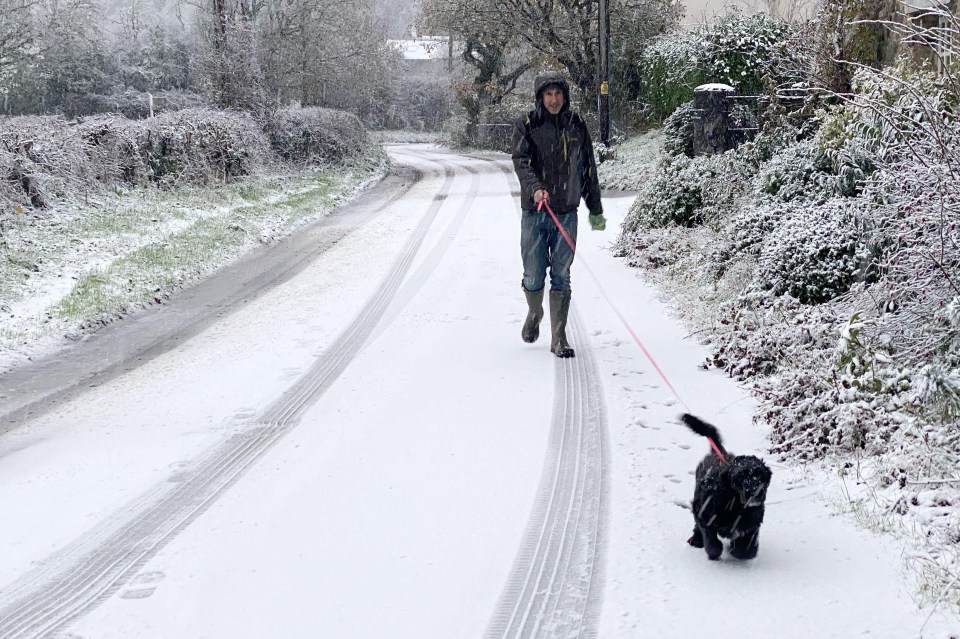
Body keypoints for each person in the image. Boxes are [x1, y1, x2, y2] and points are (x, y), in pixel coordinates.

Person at [512, 71, 606, 359]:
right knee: (533, 273)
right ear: (541, 97)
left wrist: (596, 209)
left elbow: (588, 167)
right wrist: (536, 189)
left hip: (566, 211)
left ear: (565, 96)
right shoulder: (528, 124)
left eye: (558, 94)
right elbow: (521, 161)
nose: (554, 100)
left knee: (562, 274)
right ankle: (534, 309)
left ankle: (558, 337)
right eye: (548, 94)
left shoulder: (576, 124)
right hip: (535, 211)